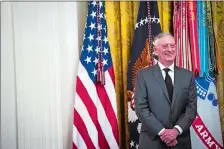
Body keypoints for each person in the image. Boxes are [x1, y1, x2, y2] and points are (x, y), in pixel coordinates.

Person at [134, 32, 197, 149]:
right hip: (152, 140)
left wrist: (176, 131)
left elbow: (191, 108)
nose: (170, 49)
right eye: (165, 46)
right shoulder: (143, 75)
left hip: (180, 140)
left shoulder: (188, 76)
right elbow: (141, 108)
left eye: (172, 46)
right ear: (156, 50)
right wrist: (163, 132)